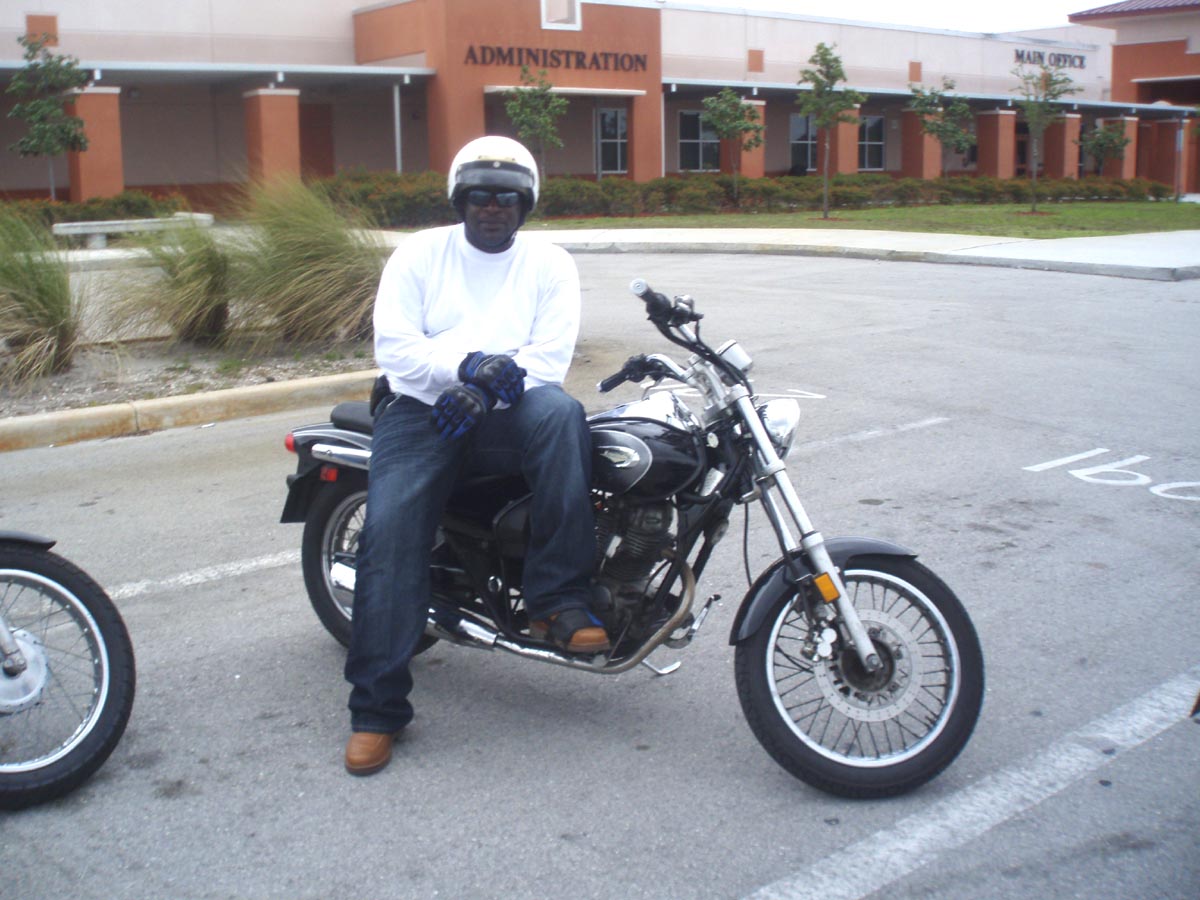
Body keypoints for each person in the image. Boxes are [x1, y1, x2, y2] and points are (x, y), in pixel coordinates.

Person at [343, 136, 606, 776]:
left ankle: (556, 599)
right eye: (481, 196)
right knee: (390, 534)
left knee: (563, 415)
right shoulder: (420, 254)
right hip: (419, 410)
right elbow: (395, 349)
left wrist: (485, 391)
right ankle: (376, 710)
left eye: (507, 198)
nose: (493, 207)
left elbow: (548, 361)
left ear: (526, 205)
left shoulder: (549, 264)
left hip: (509, 407)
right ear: (461, 200)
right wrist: (463, 368)